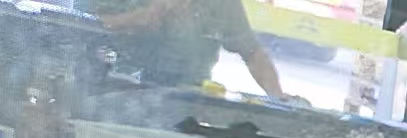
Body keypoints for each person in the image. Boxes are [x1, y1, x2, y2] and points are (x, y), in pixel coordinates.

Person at [96, 0, 285, 96]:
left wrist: (277, 97)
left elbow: (253, 53)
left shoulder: (222, 3)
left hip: (187, 106)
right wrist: (142, 17)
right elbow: (87, 23)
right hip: (118, 96)